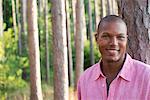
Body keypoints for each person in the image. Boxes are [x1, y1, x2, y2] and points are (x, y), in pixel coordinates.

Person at [77, 15, 150, 100]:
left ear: (126, 40)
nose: (114, 43)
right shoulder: (85, 80)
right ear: (96, 39)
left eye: (120, 37)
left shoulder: (146, 77)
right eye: (106, 36)